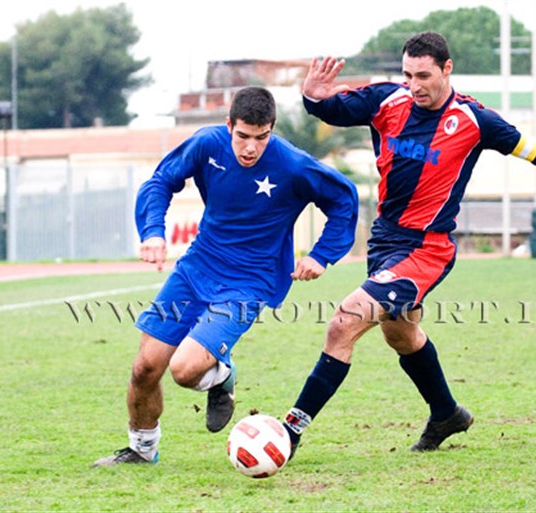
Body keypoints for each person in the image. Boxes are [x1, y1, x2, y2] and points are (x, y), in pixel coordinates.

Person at [281, 31, 536, 457]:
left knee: (343, 323)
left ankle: (289, 431)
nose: (414, 85)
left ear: (447, 69)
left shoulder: (474, 120)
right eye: (408, 74)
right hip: (384, 242)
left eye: (424, 75)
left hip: (427, 249)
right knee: (400, 336)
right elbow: (329, 106)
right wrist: (313, 97)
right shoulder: (387, 101)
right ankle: (446, 414)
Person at [93, 86, 359, 467]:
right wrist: (153, 231)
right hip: (197, 267)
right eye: (243, 136)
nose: (251, 148)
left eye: (261, 137)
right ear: (228, 125)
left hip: (250, 282)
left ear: (272, 130)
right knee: (145, 367)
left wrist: (322, 255)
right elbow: (160, 181)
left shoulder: (293, 165)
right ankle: (141, 450)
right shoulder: (207, 144)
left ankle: (221, 376)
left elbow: (344, 199)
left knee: (184, 371)